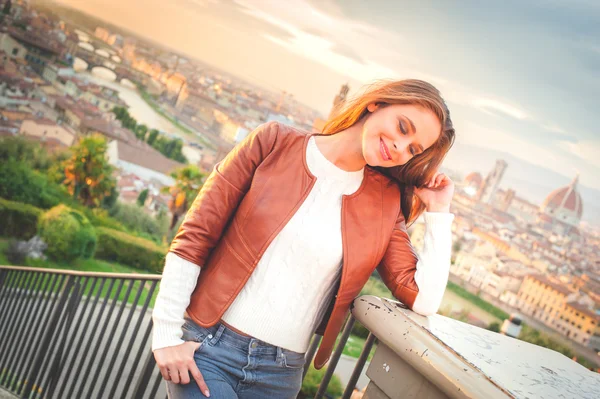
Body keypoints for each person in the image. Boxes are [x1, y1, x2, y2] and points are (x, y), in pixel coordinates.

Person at [152, 79, 456, 399]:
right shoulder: (272, 142)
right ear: (376, 104)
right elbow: (195, 237)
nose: (399, 147)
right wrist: (166, 335)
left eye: (413, 149)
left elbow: (424, 299)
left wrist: (439, 212)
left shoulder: (386, 203)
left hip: (280, 376)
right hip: (209, 349)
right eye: (402, 127)